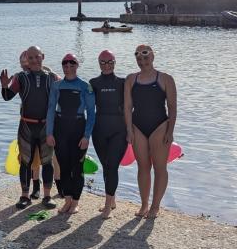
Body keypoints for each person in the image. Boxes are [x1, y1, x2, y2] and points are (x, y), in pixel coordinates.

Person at [1, 46, 59, 209]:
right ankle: (24, 196)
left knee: (47, 162)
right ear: (27, 59)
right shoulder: (21, 77)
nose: (34, 60)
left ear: (43, 57)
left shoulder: (52, 77)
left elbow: (66, 91)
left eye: (37, 57)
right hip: (26, 125)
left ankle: (47, 196)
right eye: (31, 58)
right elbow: (7, 97)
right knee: (25, 162)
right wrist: (5, 86)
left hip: (45, 127)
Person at [124, 45, 177, 219]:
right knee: (143, 167)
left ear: (152, 57)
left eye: (146, 57)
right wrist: (129, 130)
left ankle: (155, 206)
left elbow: (172, 107)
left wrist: (170, 131)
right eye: (139, 58)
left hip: (160, 126)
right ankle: (144, 204)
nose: (142, 61)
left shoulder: (166, 79)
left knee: (160, 167)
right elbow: (127, 107)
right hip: (138, 127)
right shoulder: (131, 79)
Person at [46, 54, 96, 214]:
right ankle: (67, 200)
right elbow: (51, 110)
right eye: (65, 64)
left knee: (77, 167)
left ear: (77, 65)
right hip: (60, 128)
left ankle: (75, 202)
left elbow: (91, 113)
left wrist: (86, 136)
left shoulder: (84, 86)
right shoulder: (56, 85)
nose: (68, 67)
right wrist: (49, 133)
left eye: (72, 63)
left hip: (78, 127)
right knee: (64, 166)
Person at [90, 50, 127, 219]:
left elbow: (130, 108)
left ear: (114, 62)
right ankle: (112, 199)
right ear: (98, 63)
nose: (106, 65)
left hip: (119, 130)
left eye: (109, 61)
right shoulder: (93, 82)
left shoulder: (123, 83)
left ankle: (107, 205)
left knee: (112, 165)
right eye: (103, 62)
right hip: (99, 130)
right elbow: (88, 107)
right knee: (106, 166)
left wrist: (131, 131)